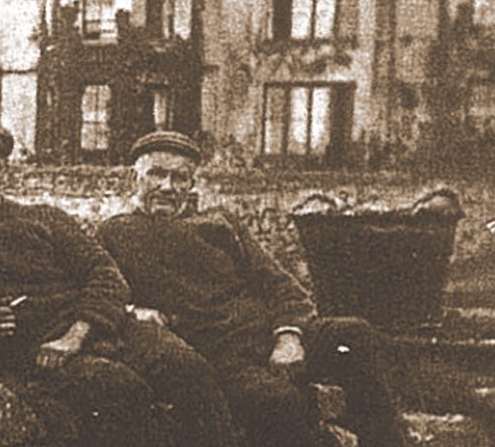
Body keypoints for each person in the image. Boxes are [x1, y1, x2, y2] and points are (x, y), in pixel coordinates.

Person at [96, 130, 406, 447]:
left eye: (180, 178)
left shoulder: (220, 222)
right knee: (275, 400)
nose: (167, 187)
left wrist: (288, 337)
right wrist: (134, 312)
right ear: (135, 177)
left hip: (270, 335)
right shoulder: (114, 233)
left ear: (191, 185)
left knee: (354, 334)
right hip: (220, 356)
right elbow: (96, 294)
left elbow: (279, 282)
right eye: (157, 175)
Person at [0, 119, 186, 447]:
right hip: (26, 357)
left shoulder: (46, 219)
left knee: (184, 367)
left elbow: (106, 275)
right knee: (116, 386)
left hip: (94, 333)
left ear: (5, 174)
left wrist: (75, 336)